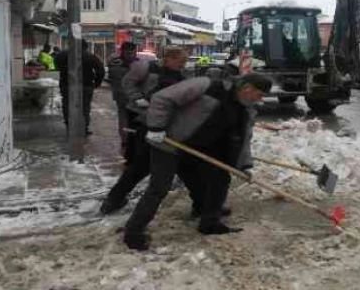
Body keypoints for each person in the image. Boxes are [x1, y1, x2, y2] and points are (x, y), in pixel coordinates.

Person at [123, 72, 272, 251]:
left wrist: (243, 165)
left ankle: (209, 221)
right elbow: (162, 98)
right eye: (260, 95)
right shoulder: (206, 86)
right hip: (169, 141)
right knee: (159, 187)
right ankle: (133, 232)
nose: (260, 100)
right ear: (247, 89)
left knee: (219, 178)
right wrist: (157, 127)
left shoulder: (246, 109)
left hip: (199, 148)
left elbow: (243, 139)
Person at [99, 47, 190, 215]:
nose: (183, 65)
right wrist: (137, 98)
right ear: (169, 58)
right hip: (144, 121)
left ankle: (204, 204)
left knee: (180, 164)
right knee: (140, 165)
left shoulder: (181, 77)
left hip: (166, 126)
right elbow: (127, 82)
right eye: (181, 61)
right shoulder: (147, 68)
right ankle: (113, 200)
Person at [55, 40, 106, 135]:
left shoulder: (62, 54)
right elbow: (101, 70)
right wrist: (97, 83)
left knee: (67, 105)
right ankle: (84, 129)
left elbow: (57, 65)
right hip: (86, 86)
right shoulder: (91, 56)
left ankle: (69, 127)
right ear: (85, 47)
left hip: (67, 85)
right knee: (85, 107)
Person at [107, 42, 139, 150]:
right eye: (130, 53)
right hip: (130, 97)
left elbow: (112, 80)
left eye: (133, 53)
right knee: (132, 119)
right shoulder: (137, 64)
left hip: (121, 96)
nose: (131, 55)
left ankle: (126, 140)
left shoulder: (114, 63)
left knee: (124, 119)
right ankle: (130, 139)